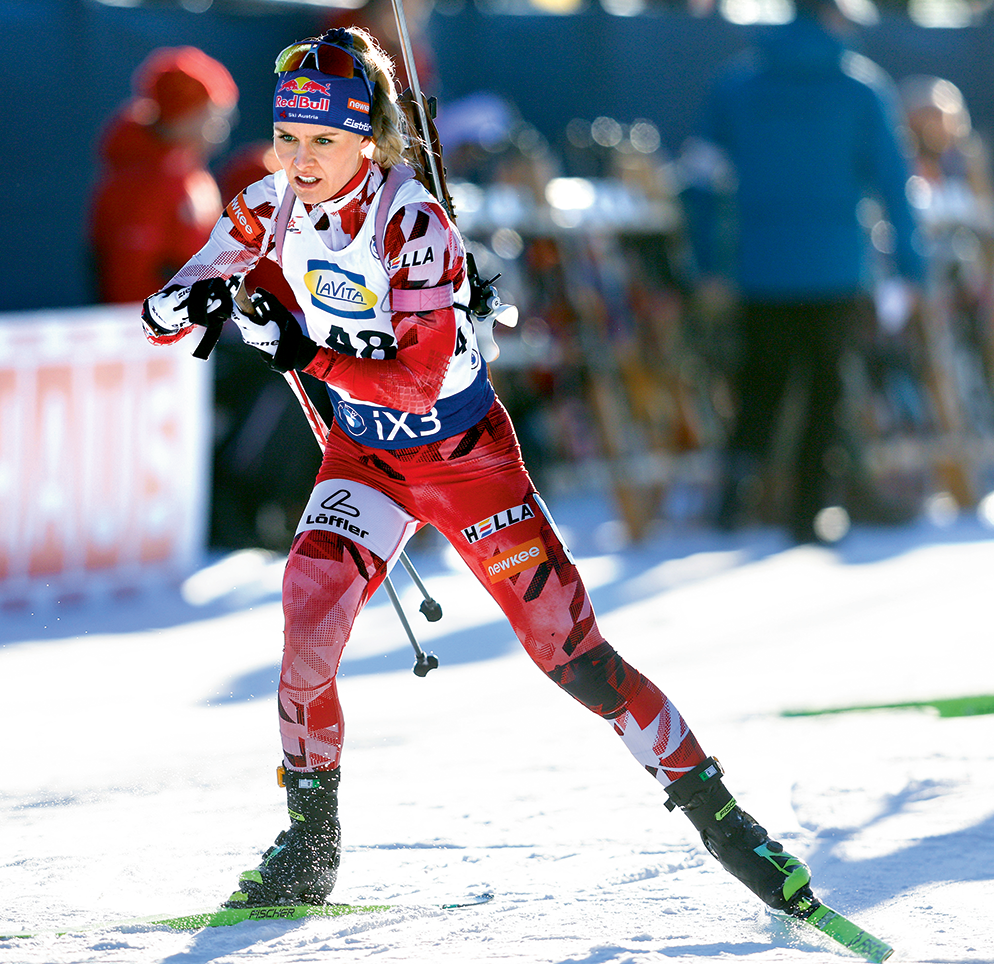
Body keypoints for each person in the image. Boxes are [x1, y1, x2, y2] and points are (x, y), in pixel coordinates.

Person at [140, 26, 814, 916]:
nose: (300, 160)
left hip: (464, 462)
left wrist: (303, 352)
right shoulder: (270, 204)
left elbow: (418, 382)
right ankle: (308, 844)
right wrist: (185, 304)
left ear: (367, 140)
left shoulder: (412, 223)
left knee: (572, 656)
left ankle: (723, 819)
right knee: (307, 615)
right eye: (288, 138)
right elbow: (169, 304)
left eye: (324, 141)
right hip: (366, 458)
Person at [681, 0, 926, 543]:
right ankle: (808, 513)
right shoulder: (862, 88)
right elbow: (895, 183)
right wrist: (910, 267)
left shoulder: (736, 84)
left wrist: (708, 263)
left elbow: (698, 181)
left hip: (759, 268)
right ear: (834, 17)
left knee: (758, 388)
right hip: (836, 268)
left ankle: (733, 504)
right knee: (826, 396)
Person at [88, 46, 238, 304]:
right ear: (184, 117)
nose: (219, 127)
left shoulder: (186, 170)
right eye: (210, 115)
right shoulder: (143, 181)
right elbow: (130, 284)